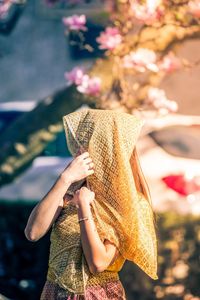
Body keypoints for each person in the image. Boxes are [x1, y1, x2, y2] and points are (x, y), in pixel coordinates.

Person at [24, 108, 158, 299]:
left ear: (110, 150)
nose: (79, 150)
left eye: (87, 143)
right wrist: (65, 178)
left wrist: (83, 207)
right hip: (54, 293)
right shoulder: (69, 191)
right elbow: (33, 233)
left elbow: (98, 263)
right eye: (80, 142)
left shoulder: (130, 203)